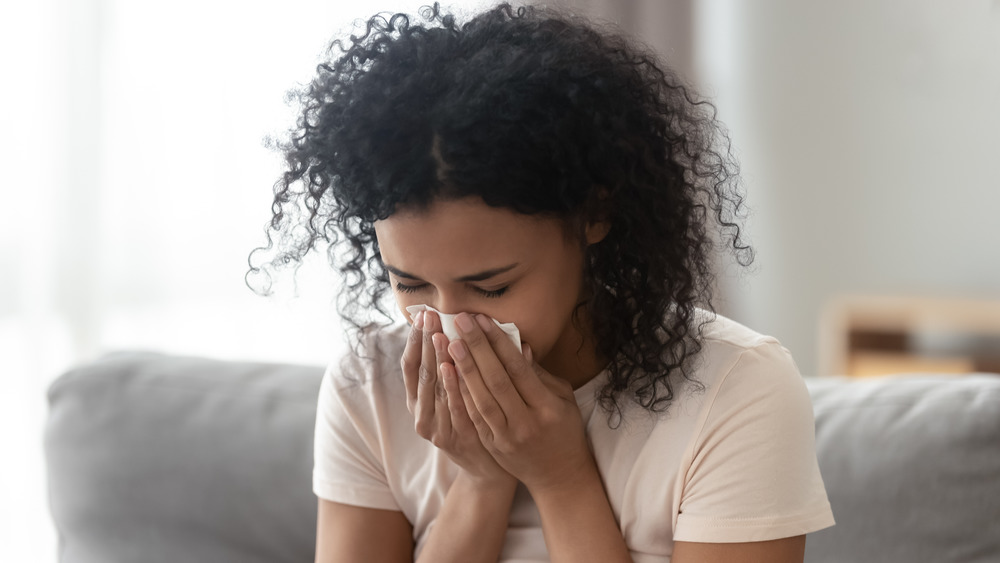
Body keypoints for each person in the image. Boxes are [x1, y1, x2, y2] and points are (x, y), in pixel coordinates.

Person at [249, 3, 835, 561]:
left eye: (492, 287)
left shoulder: (735, 390)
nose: (450, 326)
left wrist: (562, 479)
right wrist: (481, 481)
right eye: (411, 285)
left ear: (594, 216)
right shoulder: (368, 387)